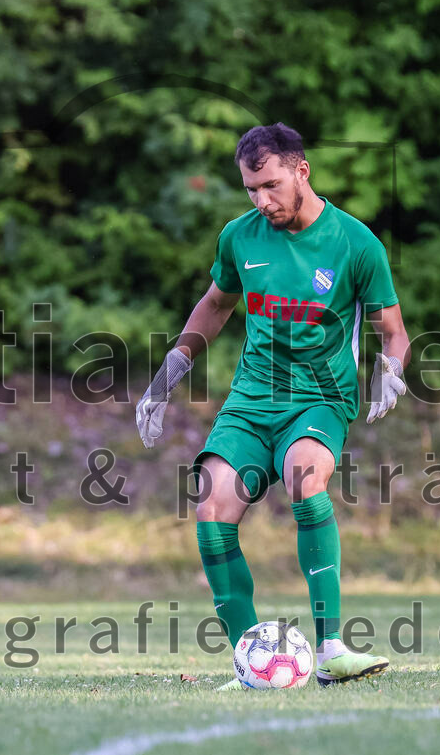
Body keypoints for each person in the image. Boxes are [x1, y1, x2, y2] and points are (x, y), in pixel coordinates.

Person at [135, 123, 410, 689]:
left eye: (271, 185)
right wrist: (166, 378)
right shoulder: (240, 237)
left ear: (301, 170)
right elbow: (214, 306)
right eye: (251, 190)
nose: (262, 200)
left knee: (304, 476)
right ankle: (249, 661)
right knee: (211, 510)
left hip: (321, 396)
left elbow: (394, 330)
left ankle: (332, 648)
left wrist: (392, 370)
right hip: (251, 397)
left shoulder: (357, 244)